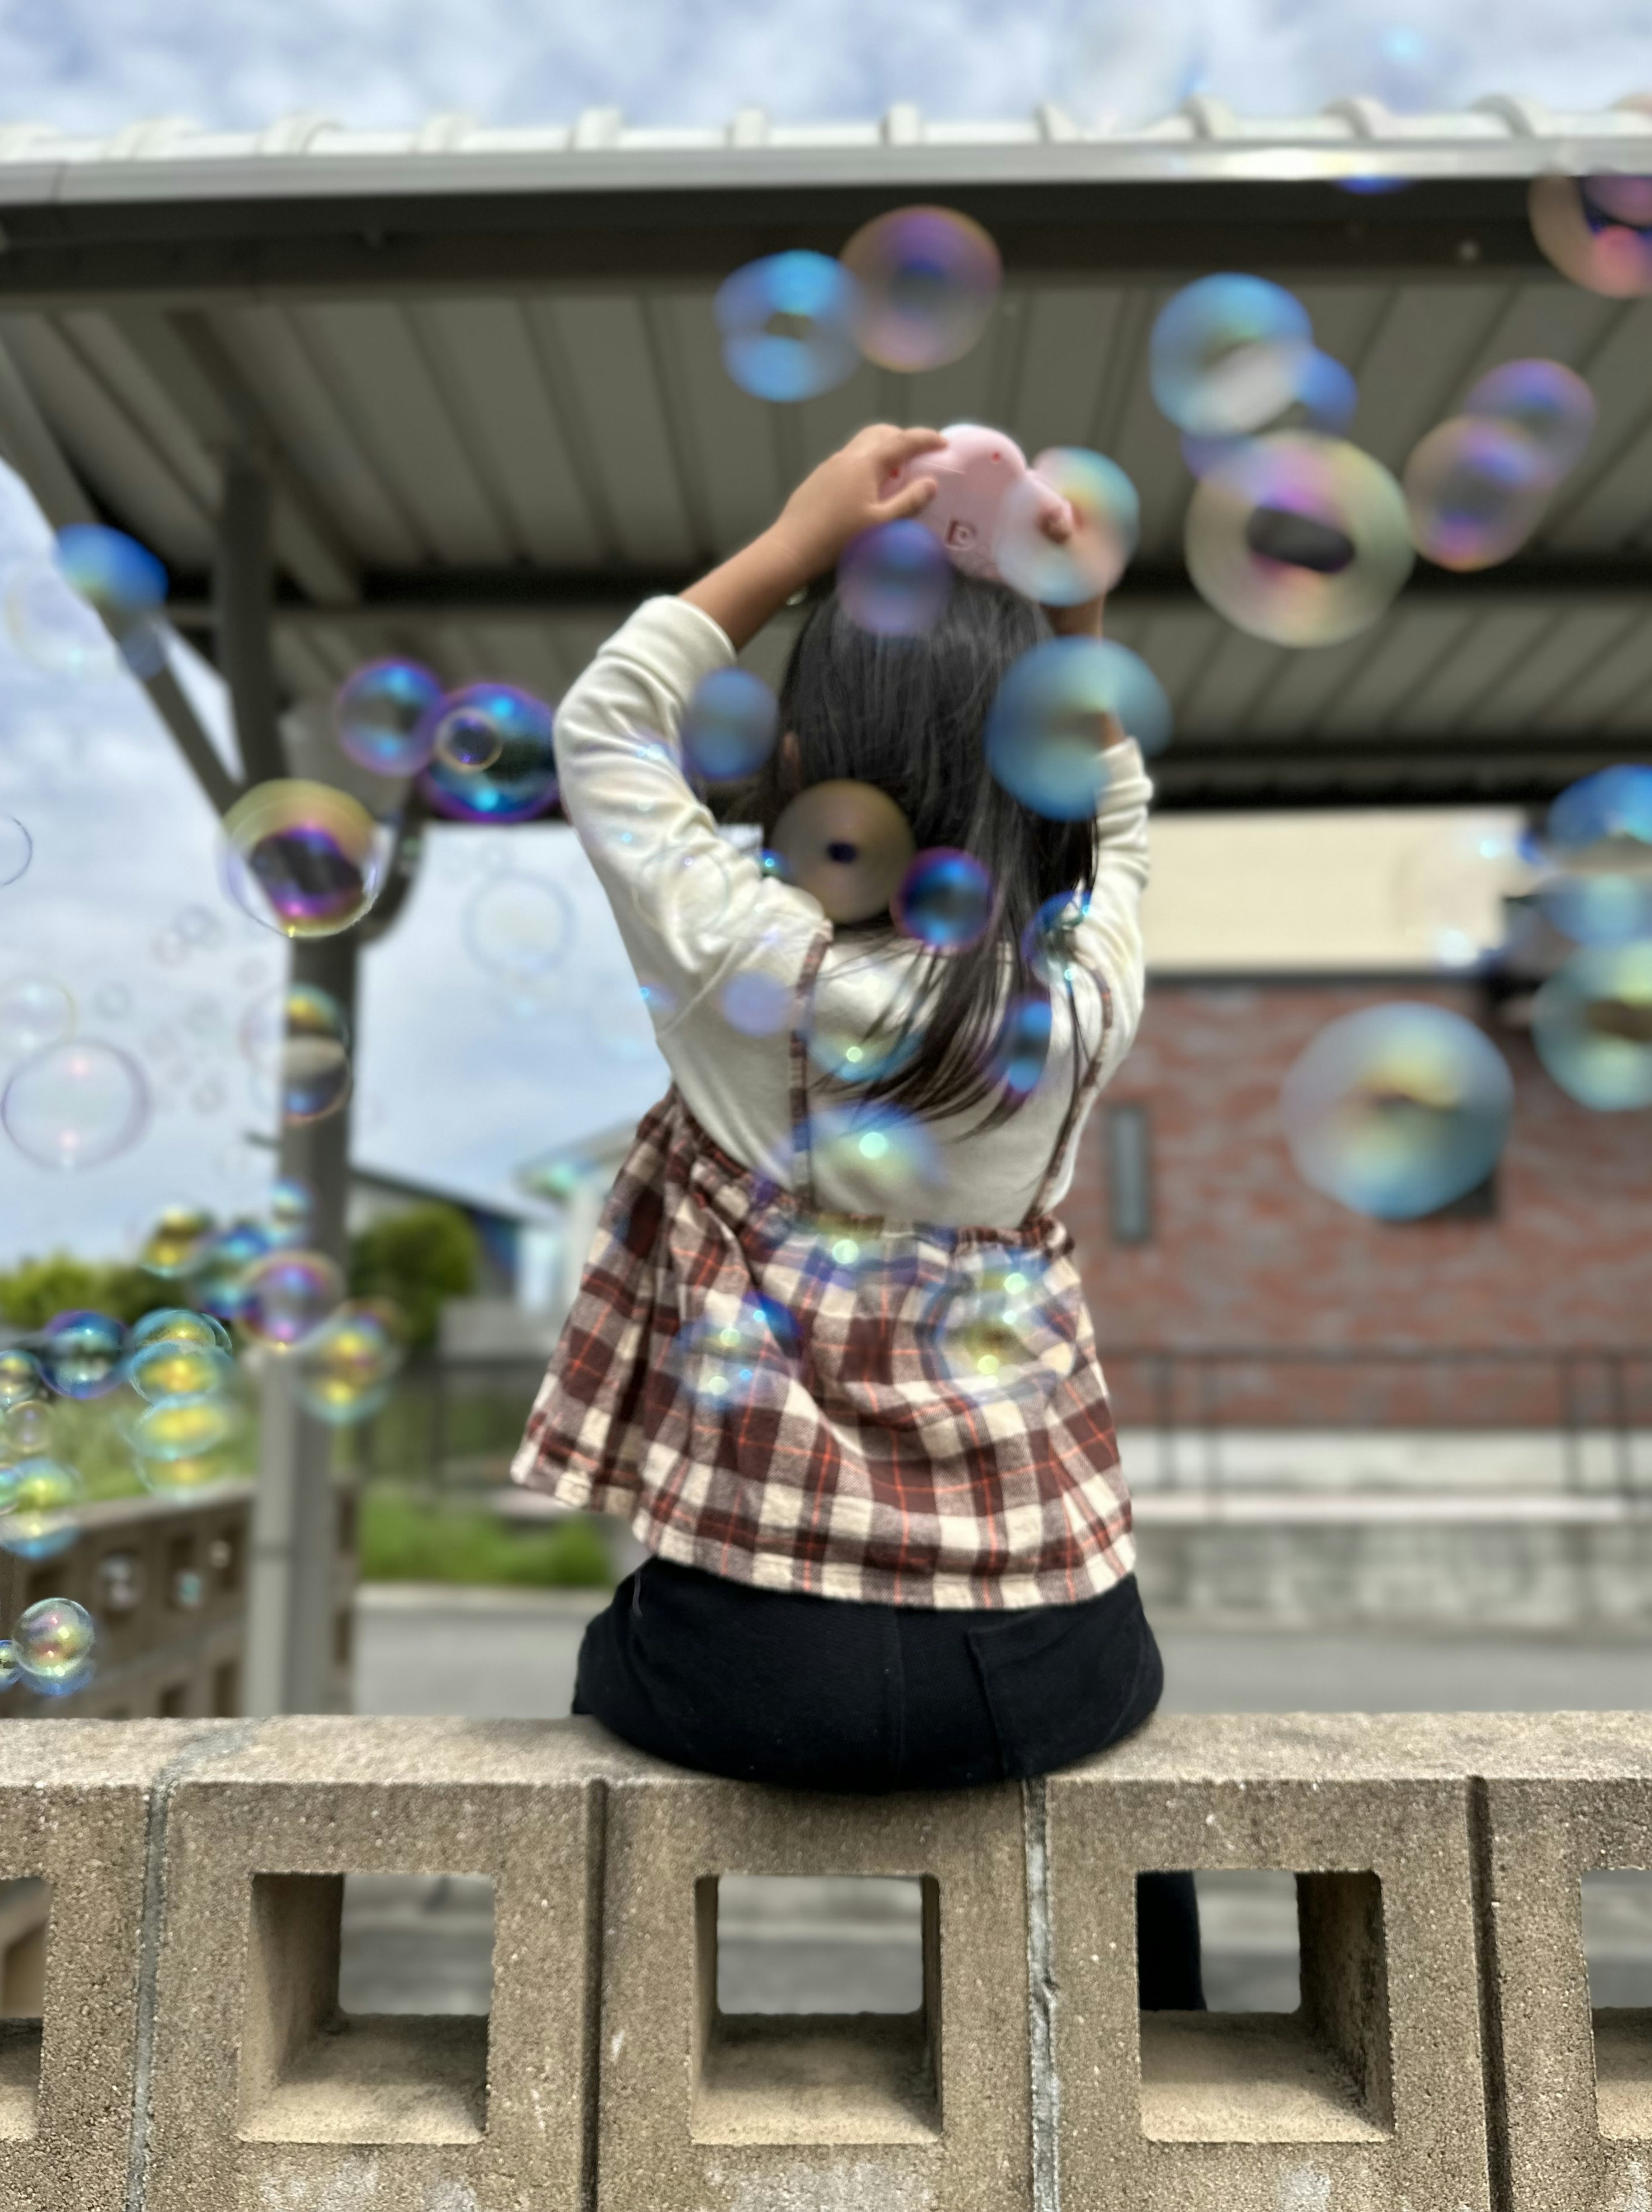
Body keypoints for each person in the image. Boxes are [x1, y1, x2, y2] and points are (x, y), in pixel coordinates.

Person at [513, 422, 1203, 2009]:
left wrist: (786, 545)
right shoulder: (1083, 1000)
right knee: (1126, 1766)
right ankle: (1144, 2070)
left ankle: (616, 2063)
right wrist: (1071, 625)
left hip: (759, 1666)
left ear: (813, 760)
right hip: (1051, 1653)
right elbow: (1116, 804)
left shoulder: (747, 964)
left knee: (609, 1672)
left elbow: (606, 727)